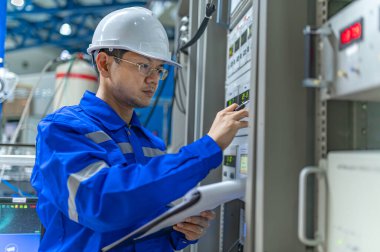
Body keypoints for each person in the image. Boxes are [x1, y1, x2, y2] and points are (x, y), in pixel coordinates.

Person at [31, 6, 248, 252]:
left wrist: (179, 232)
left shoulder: (151, 144)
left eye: (159, 69)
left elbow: (141, 223)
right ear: (104, 63)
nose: (154, 79)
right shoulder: (61, 130)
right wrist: (207, 147)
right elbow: (102, 203)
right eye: (144, 65)